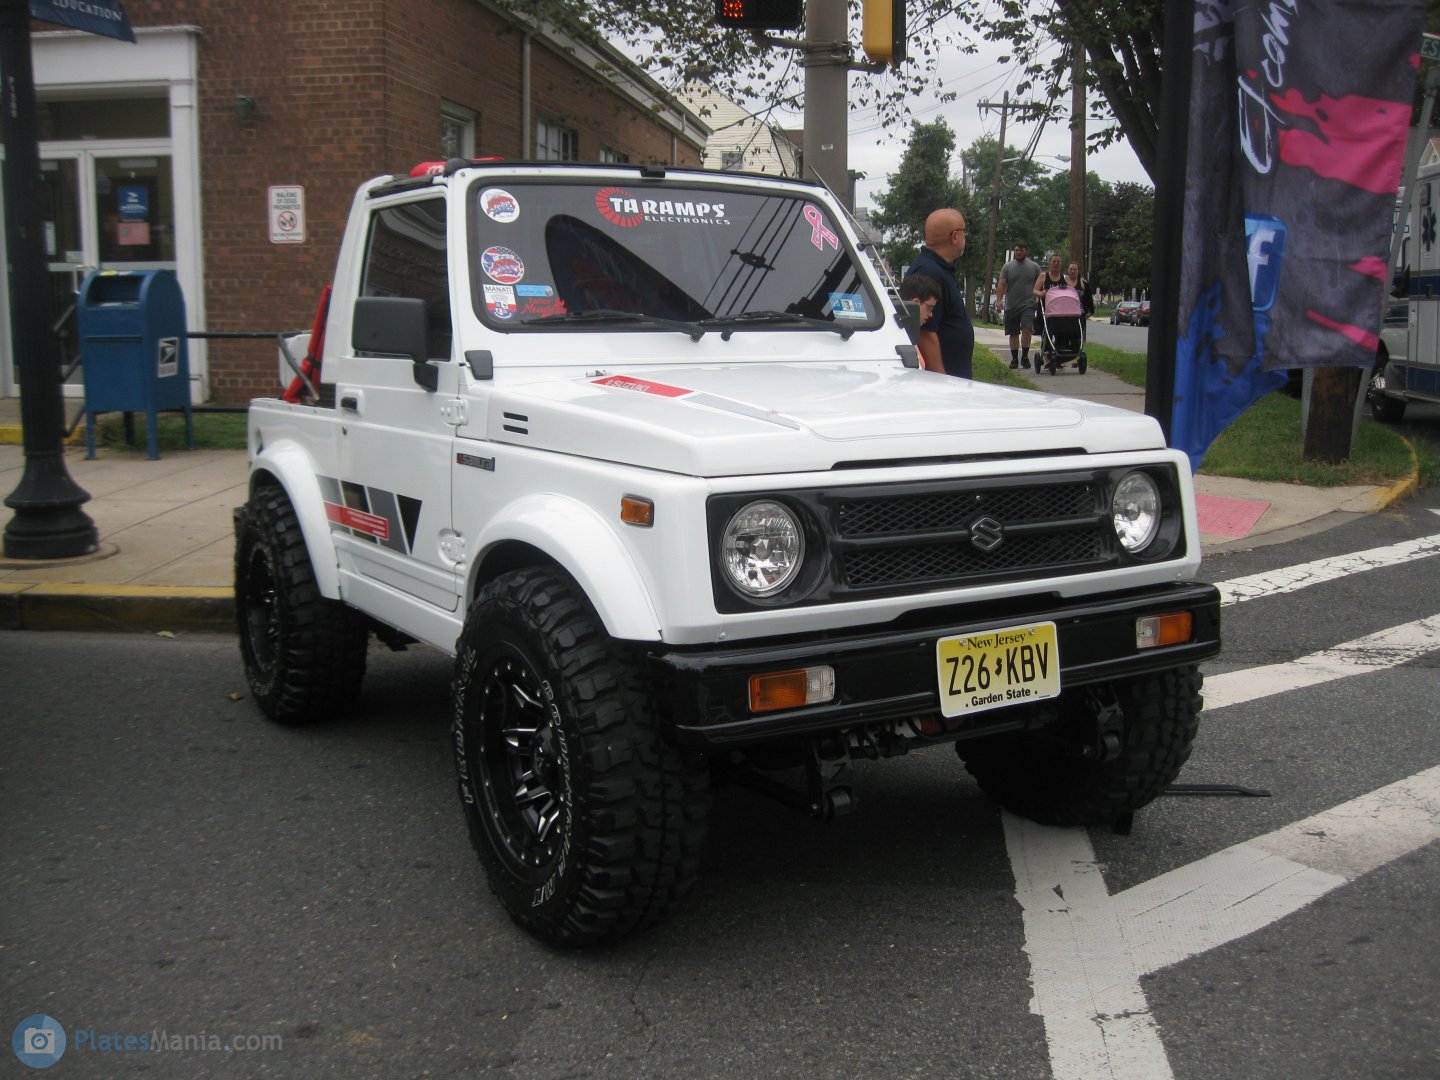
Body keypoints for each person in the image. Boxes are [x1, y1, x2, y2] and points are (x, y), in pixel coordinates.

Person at [902, 208, 974, 378]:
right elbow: (925, 332)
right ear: (955, 236)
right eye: (964, 233)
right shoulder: (929, 272)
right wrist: (940, 381)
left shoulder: (940, 268)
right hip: (944, 382)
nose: (965, 237)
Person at [995, 240, 1041, 370]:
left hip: (1028, 304)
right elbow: (1002, 284)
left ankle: (1025, 356)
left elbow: (1040, 283)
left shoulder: (1034, 267)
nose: (1019, 252)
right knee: (1013, 333)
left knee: (1026, 328)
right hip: (1011, 305)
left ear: (1026, 251)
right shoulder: (1007, 267)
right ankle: (1014, 358)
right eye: (1016, 250)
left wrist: (1037, 297)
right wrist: (999, 300)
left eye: (1021, 250)